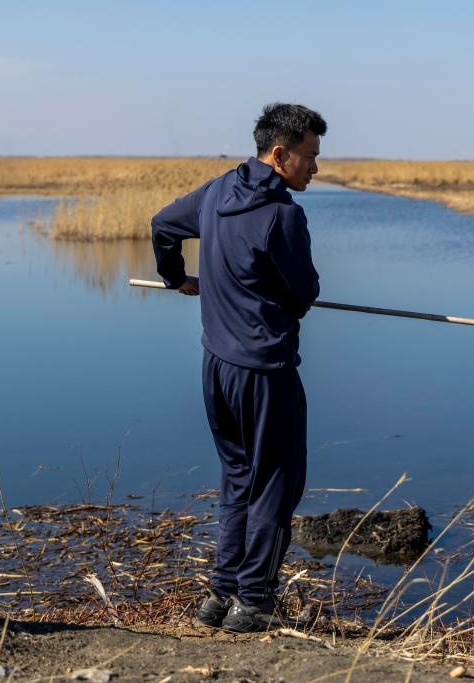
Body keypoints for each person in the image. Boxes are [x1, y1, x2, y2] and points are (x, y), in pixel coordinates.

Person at [151, 103, 325, 632]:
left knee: (237, 481)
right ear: (280, 154)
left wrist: (175, 277)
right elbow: (303, 295)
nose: (315, 168)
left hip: (217, 368)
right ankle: (252, 602)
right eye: (310, 156)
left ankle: (219, 595)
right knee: (275, 483)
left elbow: (162, 225)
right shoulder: (284, 216)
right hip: (266, 373)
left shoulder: (216, 192)